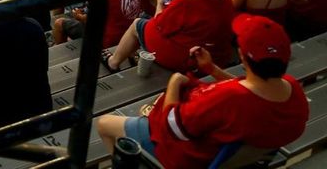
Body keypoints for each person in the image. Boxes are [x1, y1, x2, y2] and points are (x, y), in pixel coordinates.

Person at [96, 15, 309, 169]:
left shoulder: (230, 100)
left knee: (105, 124)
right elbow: (251, 88)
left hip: (185, 155)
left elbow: (173, 127)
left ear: (243, 56)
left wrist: (174, 82)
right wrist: (212, 69)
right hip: (222, 153)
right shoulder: (293, 92)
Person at [105, 0, 235, 73]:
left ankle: (113, 62)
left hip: (187, 59)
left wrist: (160, 4)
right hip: (214, 55)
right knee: (145, 19)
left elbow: (159, 24)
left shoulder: (186, 3)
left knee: (138, 23)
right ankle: (131, 55)